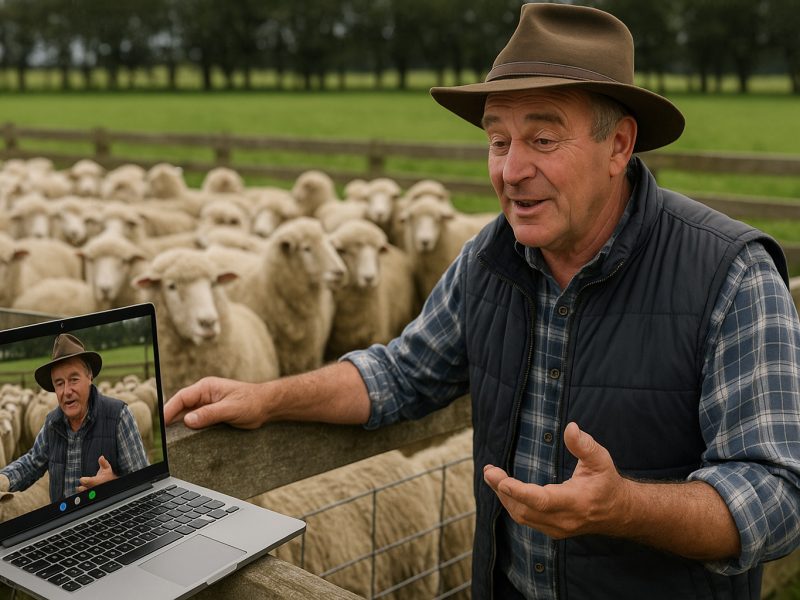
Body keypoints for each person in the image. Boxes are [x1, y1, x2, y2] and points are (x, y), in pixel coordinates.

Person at [164, 4, 800, 598]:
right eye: (499, 141)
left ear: (619, 146)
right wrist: (267, 396)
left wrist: (622, 507)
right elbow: (400, 373)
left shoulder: (729, 276)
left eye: (542, 140)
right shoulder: (490, 260)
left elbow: (775, 494)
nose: (510, 170)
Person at [0, 333, 149, 503]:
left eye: (74, 379)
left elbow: (143, 483)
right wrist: (4, 480)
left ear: (89, 377)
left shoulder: (119, 416)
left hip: (109, 521)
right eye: (59, 383)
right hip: (64, 522)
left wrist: (113, 483)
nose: (67, 391)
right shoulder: (52, 423)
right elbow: (32, 463)